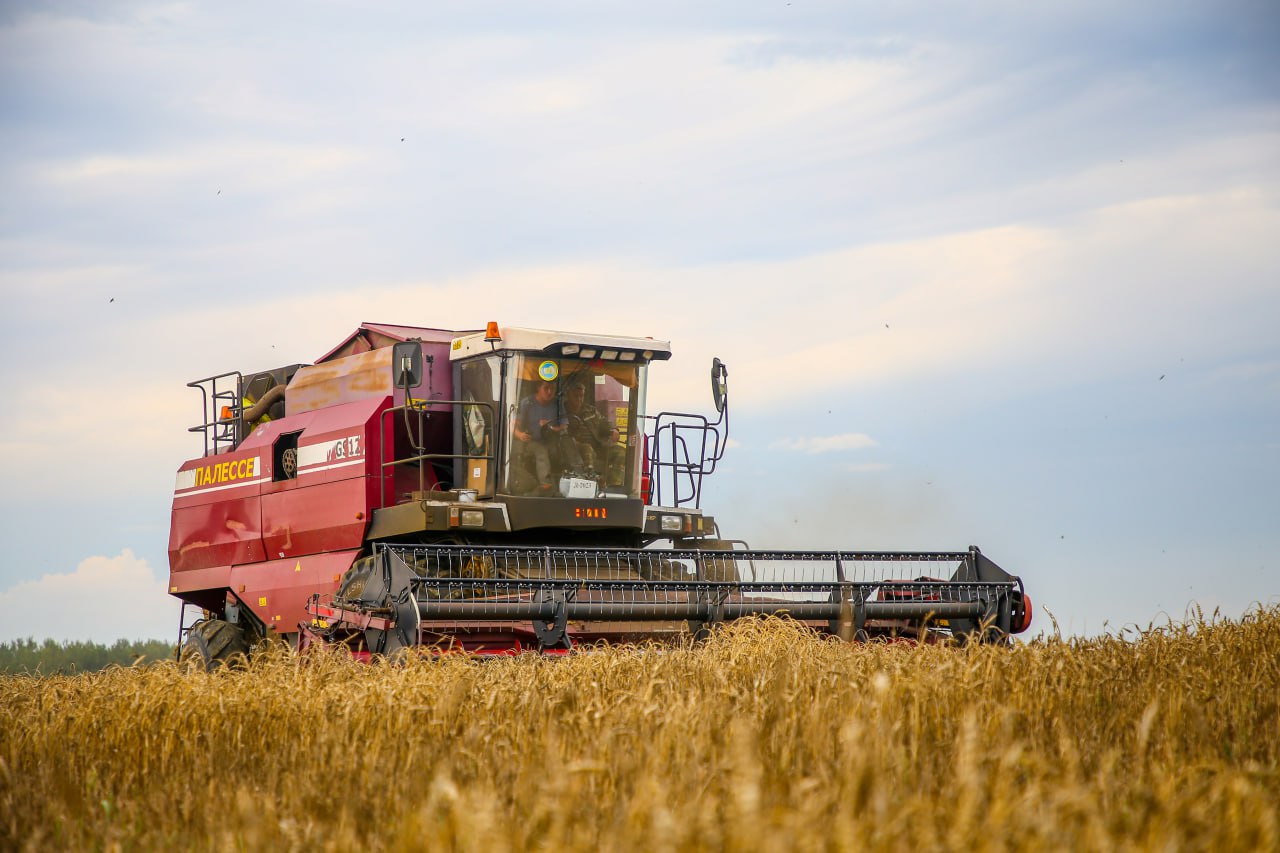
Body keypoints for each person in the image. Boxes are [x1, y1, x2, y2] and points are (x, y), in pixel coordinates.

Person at [512, 379, 581, 494]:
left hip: (553, 441)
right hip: (531, 442)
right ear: (538, 388)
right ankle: (546, 485)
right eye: (546, 388)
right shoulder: (527, 403)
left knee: (570, 443)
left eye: (552, 389)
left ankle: (580, 481)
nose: (549, 392)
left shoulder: (557, 403)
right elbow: (513, 425)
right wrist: (520, 435)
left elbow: (564, 425)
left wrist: (552, 428)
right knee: (541, 451)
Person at [564, 380, 625, 486]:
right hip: (573, 449)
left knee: (620, 452)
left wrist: (613, 430)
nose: (579, 399)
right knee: (587, 448)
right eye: (575, 396)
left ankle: (614, 485)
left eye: (581, 396)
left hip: (597, 446)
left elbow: (604, 423)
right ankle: (590, 484)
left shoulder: (590, 410)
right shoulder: (562, 411)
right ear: (568, 395)